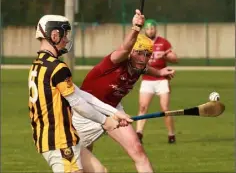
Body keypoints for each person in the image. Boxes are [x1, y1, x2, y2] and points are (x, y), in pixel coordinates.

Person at [72, 9, 175, 173]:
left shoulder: (139, 67)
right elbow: (125, 48)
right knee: (80, 164)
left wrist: (160, 72)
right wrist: (135, 28)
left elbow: (146, 68)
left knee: (138, 152)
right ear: (132, 53)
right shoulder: (115, 60)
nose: (143, 58)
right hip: (86, 111)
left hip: (113, 111)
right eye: (139, 53)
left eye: (147, 54)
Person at [28, 14, 132, 173]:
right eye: (65, 35)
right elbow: (77, 102)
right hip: (59, 142)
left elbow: (82, 94)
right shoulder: (57, 68)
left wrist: (115, 113)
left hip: (65, 138)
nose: (67, 40)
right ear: (54, 35)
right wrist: (105, 121)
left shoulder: (39, 65)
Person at [136, 19, 178, 144]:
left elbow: (175, 58)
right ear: (145, 30)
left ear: (156, 29)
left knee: (165, 108)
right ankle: (139, 133)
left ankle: (171, 134)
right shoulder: (141, 42)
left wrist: (168, 56)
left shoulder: (163, 43)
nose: (150, 30)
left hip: (162, 80)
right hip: (147, 79)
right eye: (148, 28)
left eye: (152, 28)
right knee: (143, 107)